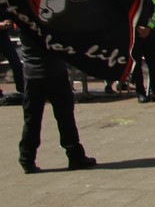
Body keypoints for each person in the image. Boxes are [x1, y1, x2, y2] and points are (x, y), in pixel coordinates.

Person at [17, 26, 96, 174]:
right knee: (65, 116)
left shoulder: (23, 18)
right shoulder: (50, 21)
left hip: (33, 73)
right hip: (54, 72)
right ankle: (74, 154)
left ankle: (26, 158)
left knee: (32, 118)